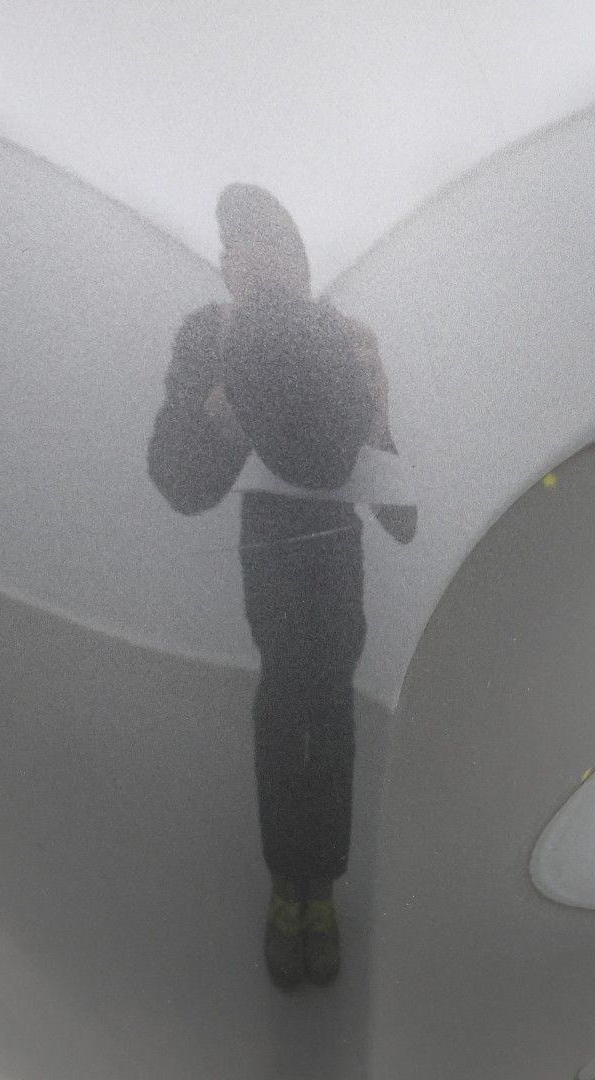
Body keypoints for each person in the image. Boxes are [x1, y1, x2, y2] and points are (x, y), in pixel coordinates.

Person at [148, 184, 414, 989]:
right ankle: (285, 888)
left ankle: (316, 892)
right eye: (235, 248)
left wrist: (378, 413)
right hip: (269, 553)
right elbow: (179, 484)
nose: (249, 263)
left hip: (334, 554)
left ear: (299, 266)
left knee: (327, 711)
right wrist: (220, 413)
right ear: (226, 268)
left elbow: (401, 517)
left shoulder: (339, 338)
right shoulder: (208, 337)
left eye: (269, 247)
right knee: (283, 708)